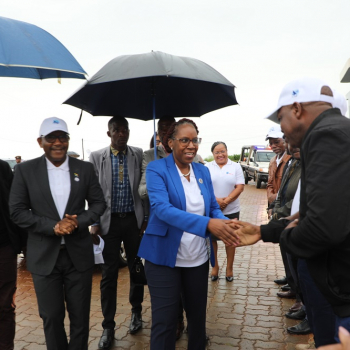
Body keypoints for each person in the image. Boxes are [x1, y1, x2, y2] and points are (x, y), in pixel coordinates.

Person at [231, 77, 350, 347]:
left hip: (338, 284)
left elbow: (322, 228)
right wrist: (265, 231)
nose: (282, 130)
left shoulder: (326, 134)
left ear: (297, 109)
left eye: (281, 117)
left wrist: (283, 238)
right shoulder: (336, 131)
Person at [138, 118, 238, 350]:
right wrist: (208, 225)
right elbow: (163, 210)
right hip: (163, 259)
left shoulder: (202, 170)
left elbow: (212, 207)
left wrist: (225, 225)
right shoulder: (157, 169)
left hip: (197, 259)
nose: (191, 145)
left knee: (197, 322)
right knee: (165, 323)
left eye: (195, 140)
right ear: (170, 143)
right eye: (184, 140)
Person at [9, 117, 106, 350]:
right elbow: (17, 211)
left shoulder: (84, 169)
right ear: (40, 141)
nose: (58, 142)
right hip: (44, 257)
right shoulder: (25, 170)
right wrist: (53, 226)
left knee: (80, 318)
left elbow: (98, 204)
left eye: (63, 137)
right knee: (51, 318)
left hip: (78, 256)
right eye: (51, 137)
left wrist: (77, 222)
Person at [90, 116, 146, 350]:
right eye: (117, 131)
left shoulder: (138, 154)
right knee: (109, 274)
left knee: (136, 268)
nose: (122, 134)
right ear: (109, 133)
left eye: (125, 130)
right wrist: (93, 221)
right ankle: (108, 326)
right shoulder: (96, 157)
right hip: (108, 225)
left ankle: (136, 312)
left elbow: (144, 188)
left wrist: (145, 221)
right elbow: (92, 192)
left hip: (133, 222)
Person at [205, 141, 244, 282]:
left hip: (232, 209)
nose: (220, 154)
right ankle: (215, 267)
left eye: (223, 151)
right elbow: (204, 188)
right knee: (213, 240)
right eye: (217, 152)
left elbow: (239, 187)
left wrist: (226, 201)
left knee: (230, 240)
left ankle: (229, 268)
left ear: (227, 151)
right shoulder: (207, 167)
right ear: (213, 154)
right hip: (212, 209)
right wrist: (216, 202)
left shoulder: (236, 166)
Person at [0, 160, 27, 350]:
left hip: (4, 247)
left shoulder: (2, 168)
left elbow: (16, 207)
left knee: (4, 305)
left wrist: (25, 245)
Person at [265, 126, 291, 205]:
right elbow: (270, 184)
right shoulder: (272, 161)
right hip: (274, 206)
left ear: (285, 141)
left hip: (285, 205)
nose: (273, 146)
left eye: (276, 142)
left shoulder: (291, 160)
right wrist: (270, 198)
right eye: (271, 143)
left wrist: (277, 197)